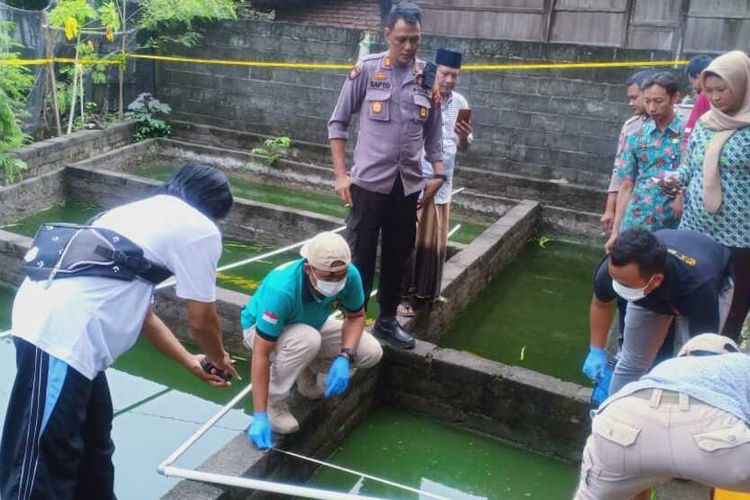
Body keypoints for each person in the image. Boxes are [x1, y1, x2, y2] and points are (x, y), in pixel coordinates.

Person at [0, 164, 239, 499]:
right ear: (215, 209)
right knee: (42, 460)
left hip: (72, 340)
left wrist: (189, 361)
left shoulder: (137, 214)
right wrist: (218, 357)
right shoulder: (201, 229)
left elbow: (145, 315)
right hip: (59, 336)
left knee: (93, 442)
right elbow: (201, 320)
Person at [327, 1, 445, 350]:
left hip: (408, 186)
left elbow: (434, 132)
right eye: (402, 39)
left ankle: (388, 320)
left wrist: (437, 174)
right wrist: (340, 175)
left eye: (415, 40)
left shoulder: (428, 76)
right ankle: (355, 321)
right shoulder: (366, 69)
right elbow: (337, 123)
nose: (409, 47)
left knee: (398, 255)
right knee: (361, 255)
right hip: (367, 185)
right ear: (388, 35)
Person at [243, 232, 383, 448]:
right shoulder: (281, 289)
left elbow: (355, 317)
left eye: (341, 275)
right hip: (260, 331)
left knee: (371, 351)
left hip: (313, 325)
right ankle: (275, 405)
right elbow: (261, 353)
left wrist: (345, 357)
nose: (336, 281)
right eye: (329, 277)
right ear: (309, 269)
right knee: (307, 340)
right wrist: (259, 413)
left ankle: (307, 377)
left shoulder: (350, 275)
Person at [575, 333, 750, 500]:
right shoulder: (741, 364)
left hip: (622, 419)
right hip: (712, 432)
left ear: (686, 355)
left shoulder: (667, 367)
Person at [583, 228, 733, 395]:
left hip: (706, 287)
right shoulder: (613, 271)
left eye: (626, 285)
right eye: (615, 279)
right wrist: (596, 349)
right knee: (632, 362)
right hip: (649, 290)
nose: (617, 286)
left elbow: (702, 348)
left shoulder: (699, 286)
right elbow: (601, 304)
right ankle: (614, 410)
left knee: (692, 368)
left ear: (655, 280)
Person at [670, 50, 750, 343]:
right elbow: (691, 166)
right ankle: (688, 349)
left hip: (741, 235)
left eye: (722, 89)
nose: (714, 97)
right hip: (697, 226)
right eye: (709, 90)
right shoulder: (706, 122)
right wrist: (673, 181)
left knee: (733, 302)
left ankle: (720, 352)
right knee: (692, 292)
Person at [400, 48, 472, 315]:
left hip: (443, 184)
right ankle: (404, 297)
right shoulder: (421, 96)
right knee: (412, 239)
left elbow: (463, 148)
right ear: (435, 71)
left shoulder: (460, 103)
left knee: (434, 244)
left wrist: (463, 137)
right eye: (445, 74)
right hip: (418, 181)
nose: (450, 80)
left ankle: (427, 294)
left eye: (455, 75)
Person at [606, 72, 686, 253]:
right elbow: (626, 185)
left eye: (658, 101)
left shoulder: (688, 134)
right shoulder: (636, 136)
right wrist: (616, 230)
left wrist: (681, 194)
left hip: (673, 221)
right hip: (637, 217)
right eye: (647, 101)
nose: (652, 108)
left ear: (674, 98)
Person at [600, 70, 653, 235]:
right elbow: (619, 169)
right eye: (629, 98)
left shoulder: (676, 128)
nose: (630, 103)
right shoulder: (631, 127)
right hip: (630, 204)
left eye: (634, 98)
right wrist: (610, 209)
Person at [684, 54, 713, 140]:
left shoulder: (704, 95)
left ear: (699, 76)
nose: (693, 86)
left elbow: (690, 129)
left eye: (692, 82)